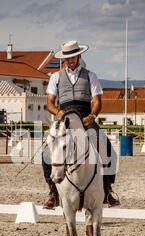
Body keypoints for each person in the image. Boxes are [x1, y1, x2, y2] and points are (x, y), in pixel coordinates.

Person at [42, 40, 120, 209]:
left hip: (85, 117)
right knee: (47, 152)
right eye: (68, 57)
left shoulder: (90, 75)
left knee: (106, 147)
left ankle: (107, 189)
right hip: (64, 117)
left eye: (73, 57)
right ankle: (53, 193)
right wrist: (57, 112)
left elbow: (97, 102)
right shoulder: (55, 77)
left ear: (79, 56)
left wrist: (92, 116)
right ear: (64, 58)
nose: (71, 60)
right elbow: (49, 103)